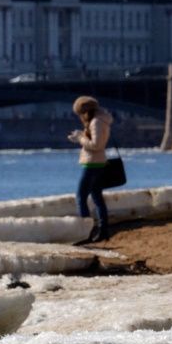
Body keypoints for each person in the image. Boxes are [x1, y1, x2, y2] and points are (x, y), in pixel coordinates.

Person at [68, 95, 114, 244]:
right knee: (97, 197)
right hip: (98, 162)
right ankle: (103, 230)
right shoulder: (100, 120)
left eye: (80, 114)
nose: (80, 117)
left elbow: (96, 145)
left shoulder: (96, 122)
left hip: (92, 163)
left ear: (85, 111)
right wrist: (81, 135)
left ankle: (86, 233)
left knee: (81, 197)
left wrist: (79, 139)